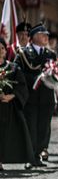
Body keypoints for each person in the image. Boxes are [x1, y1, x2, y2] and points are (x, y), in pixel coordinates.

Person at [13, 24, 57, 168]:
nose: (46, 37)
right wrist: (37, 78)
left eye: (47, 35)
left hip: (47, 98)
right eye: (42, 34)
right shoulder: (23, 53)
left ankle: (37, 155)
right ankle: (29, 157)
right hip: (31, 98)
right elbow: (16, 72)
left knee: (43, 129)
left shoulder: (51, 54)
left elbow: (57, 74)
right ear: (33, 37)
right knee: (31, 128)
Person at [0, 37, 35, 170]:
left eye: (2, 48)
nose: (0, 51)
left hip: (11, 107)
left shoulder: (13, 67)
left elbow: (22, 86)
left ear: (6, 50)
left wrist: (12, 96)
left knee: (17, 133)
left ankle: (26, 159)